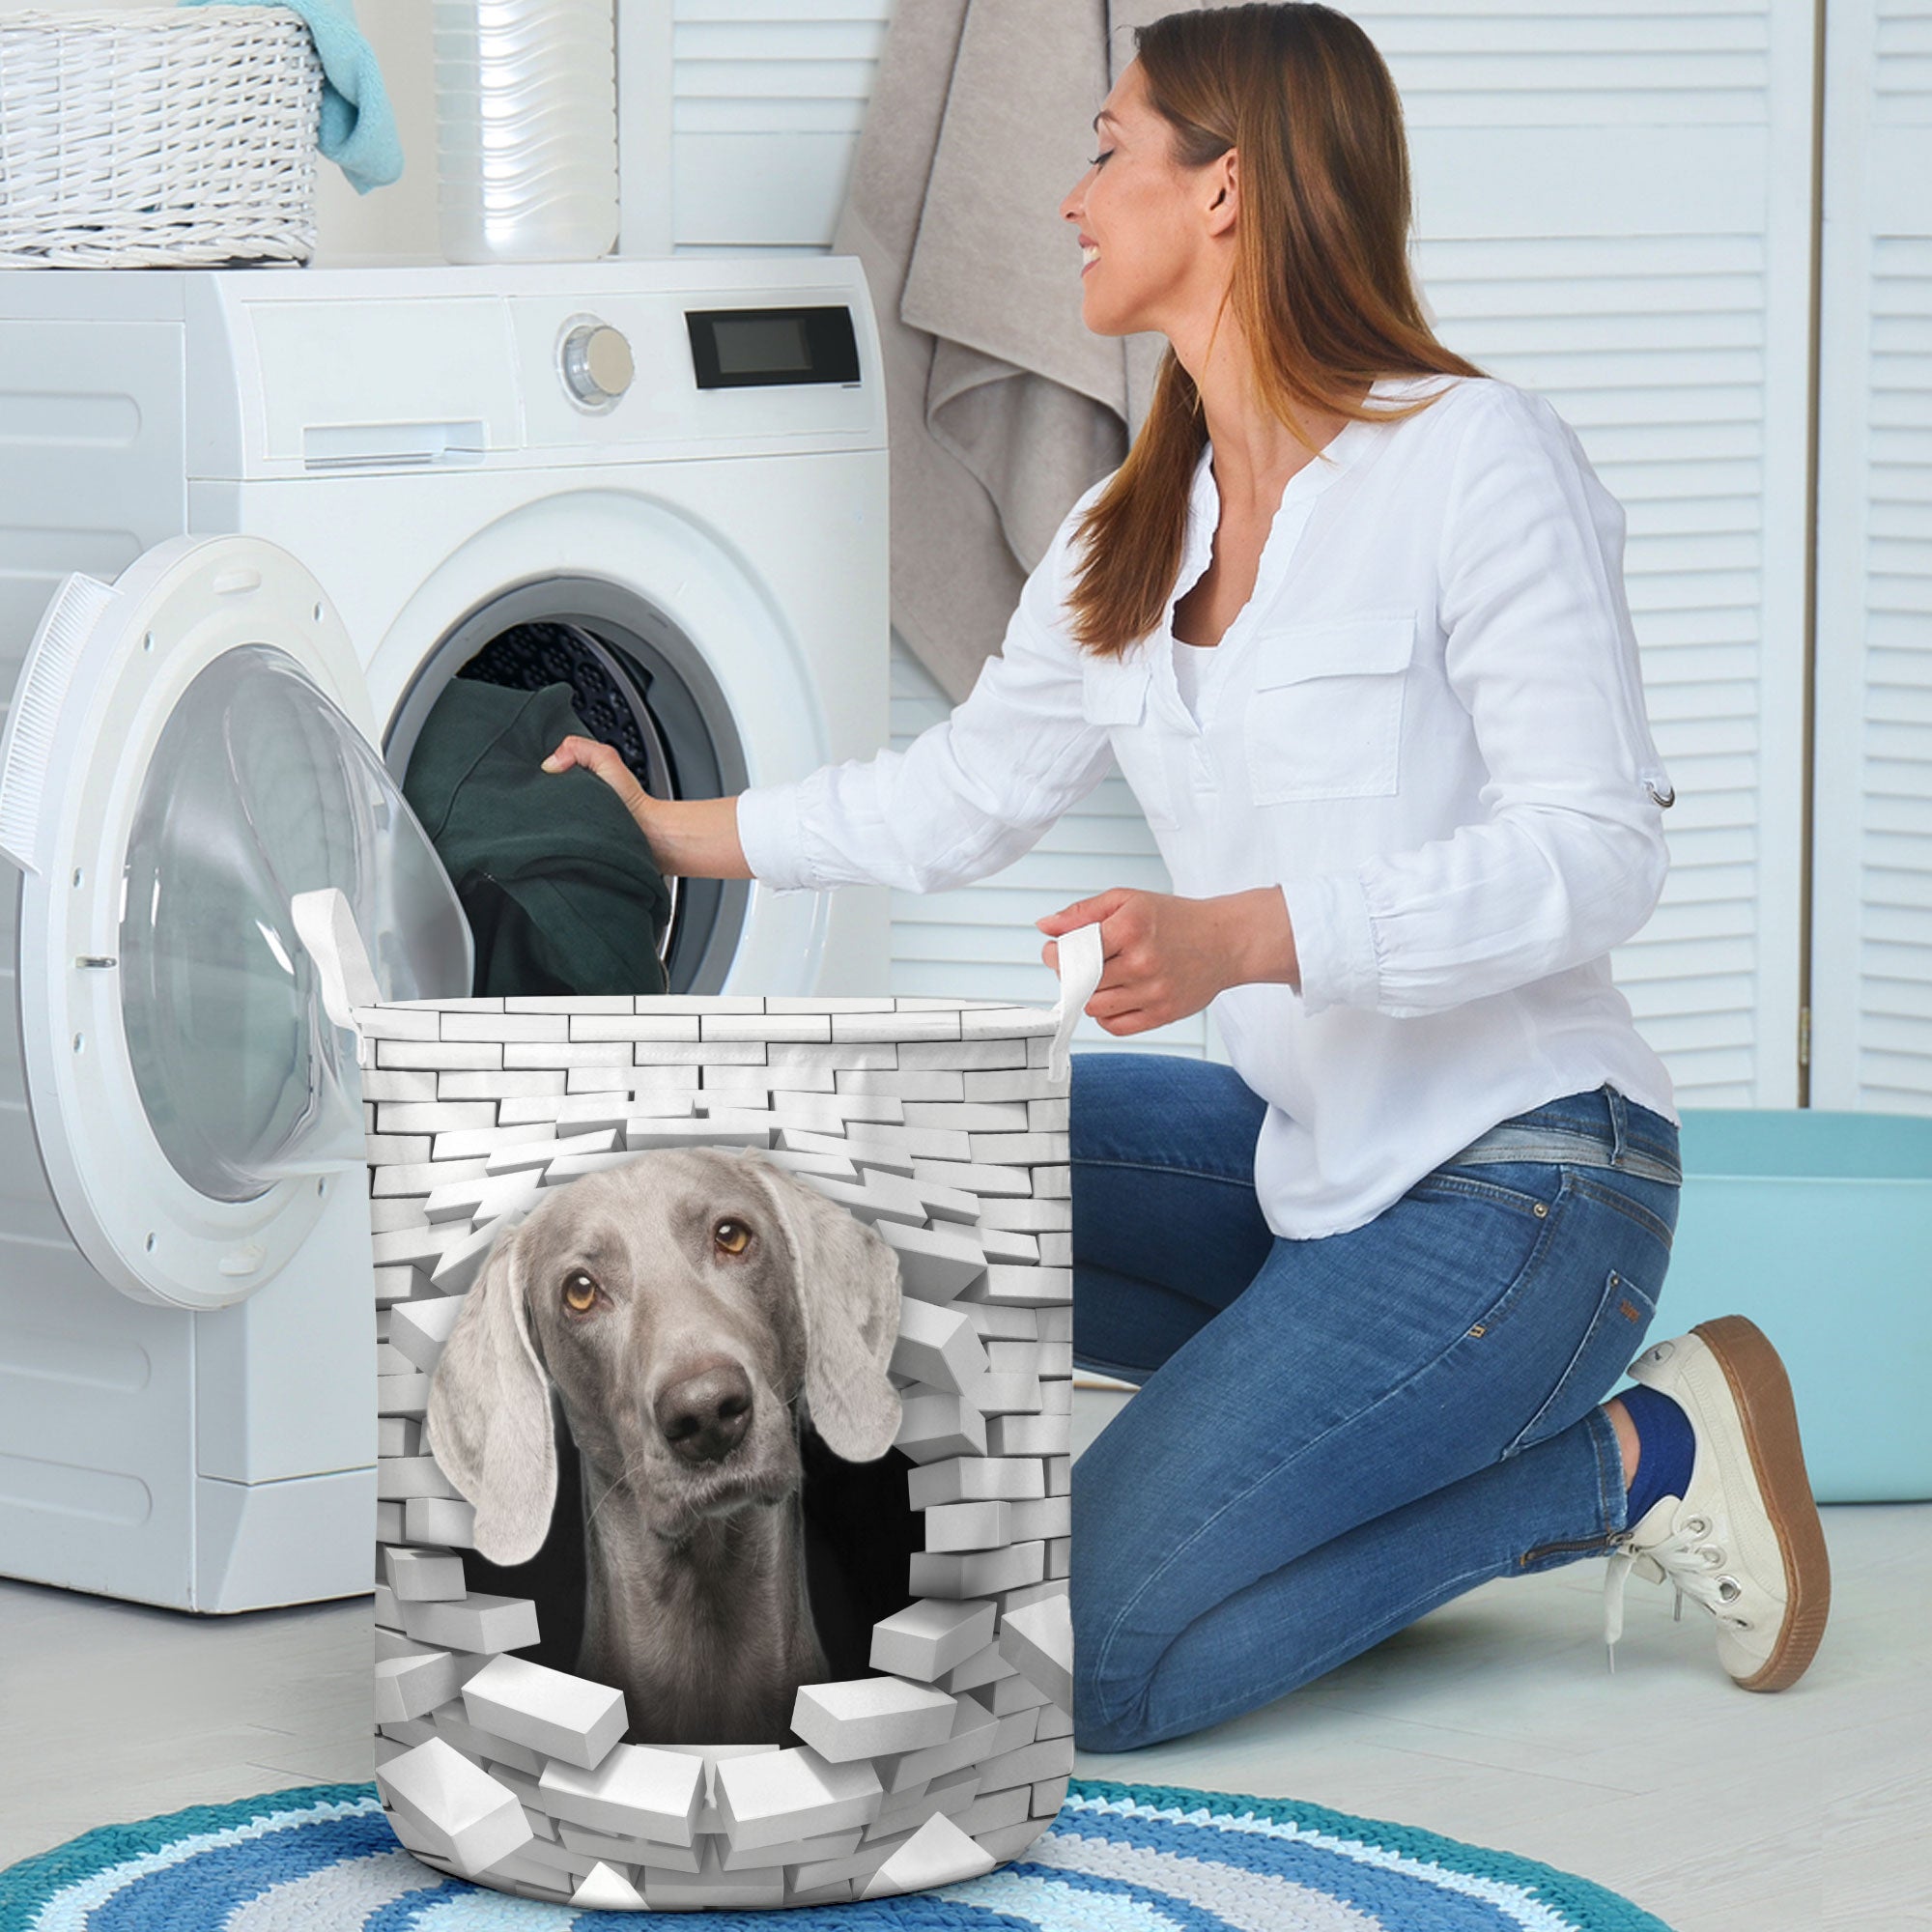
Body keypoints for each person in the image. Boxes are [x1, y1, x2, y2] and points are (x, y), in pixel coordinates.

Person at [542, 0, 1830, 1753]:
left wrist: (1249, 939)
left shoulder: (1472, 459)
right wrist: (684, 826)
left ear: (1225, 191)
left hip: (1529, 1186)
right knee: (881, 1168)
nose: (1069, 198)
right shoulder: (1128, 528)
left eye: (1106, 150)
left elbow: (1599, 857)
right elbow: (961, 797)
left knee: (1098, 1662)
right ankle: (1234, 1453)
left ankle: (1634, 1462)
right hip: (1314, 1173)